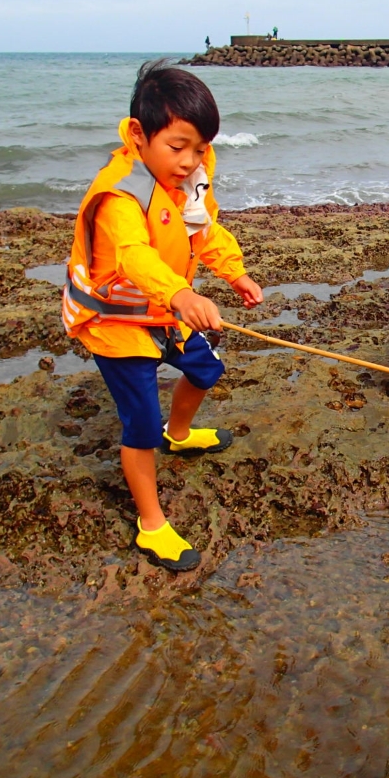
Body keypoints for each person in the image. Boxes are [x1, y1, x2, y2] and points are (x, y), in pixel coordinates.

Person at [63, 61, 263, 570]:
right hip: (116, 322)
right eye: (178, 147)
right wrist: (180, 294)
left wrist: (233, 273)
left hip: (165, 309)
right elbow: (135, 256)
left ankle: (181, 434)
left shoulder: (190, 174)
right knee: (140, 424)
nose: (190, 161)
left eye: (200, 148)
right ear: (138, 134)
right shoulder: (121, 194)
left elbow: (203, 229)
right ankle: (151, 525)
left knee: (206, 369)